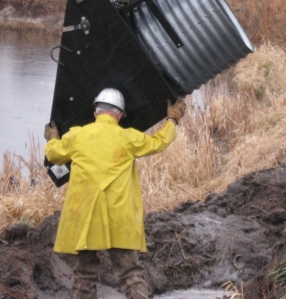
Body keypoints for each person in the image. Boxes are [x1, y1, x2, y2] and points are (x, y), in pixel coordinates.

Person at [44, 88, 186, 299]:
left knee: (84, 274)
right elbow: (159, 142)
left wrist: (52, 138)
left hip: (86, 219)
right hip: (119, 220)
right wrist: (172, 118)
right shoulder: (127, 138)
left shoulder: (76, 136)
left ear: (95, 113)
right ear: (120, 116)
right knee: (130, 274)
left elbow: (54, 155)